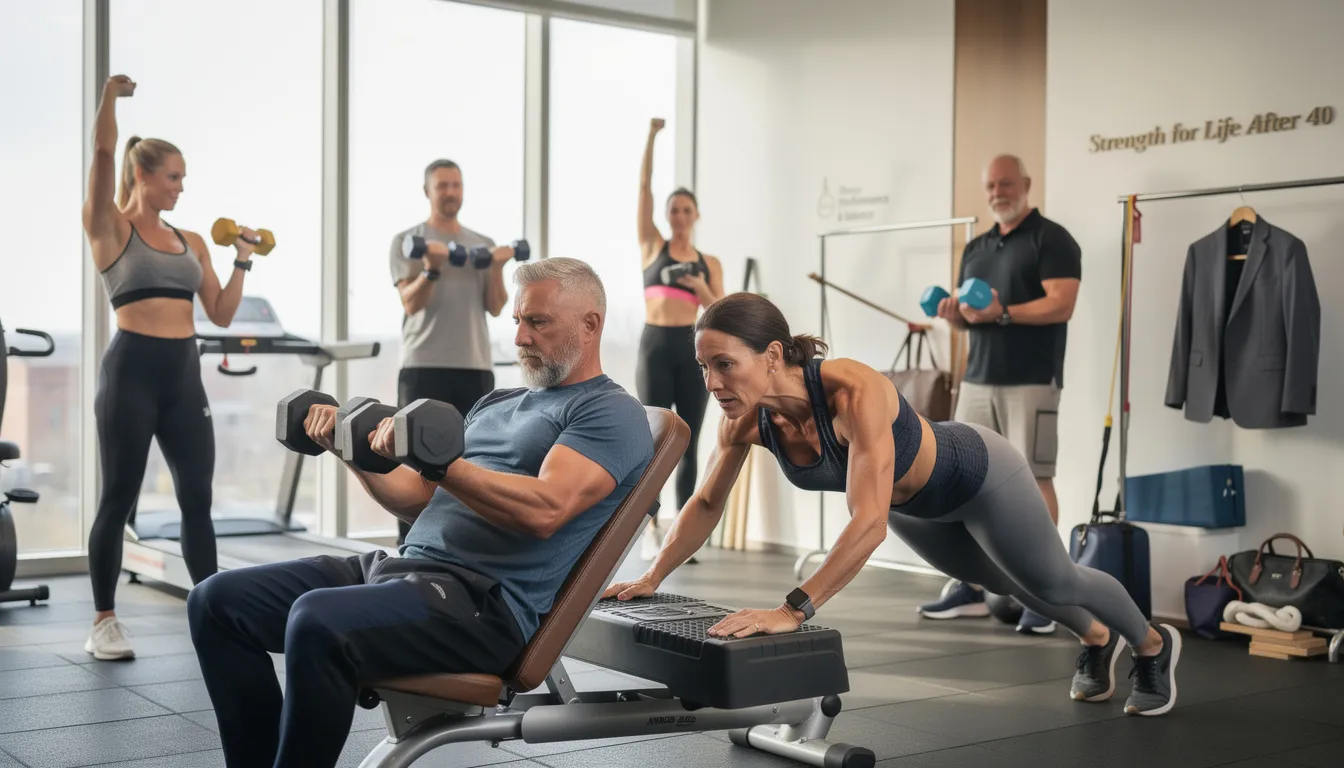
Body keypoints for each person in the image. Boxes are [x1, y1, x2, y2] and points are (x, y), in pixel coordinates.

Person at [606, 292, 1181, 717]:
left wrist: (793, 609)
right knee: (1009, 585)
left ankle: (1152, 645)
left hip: (980, 474)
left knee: (1054, 580)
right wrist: (653, 574)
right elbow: (706, 503)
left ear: (773, 354)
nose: (711, 381)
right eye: (705, 367)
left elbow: (868, 521)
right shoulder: (745, 424)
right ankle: (1095, 638)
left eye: (724, 364)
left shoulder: (853, 390)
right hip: (917, 508)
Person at [187, 258, 655, 768]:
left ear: (590, 324)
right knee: (215, 602)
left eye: (537, 322)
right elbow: (415, 498)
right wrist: (349, 446)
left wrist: (442, 464)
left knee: (317, 620)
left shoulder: (608, 411)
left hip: (479, 602)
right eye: (517, 321)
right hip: (400, 571)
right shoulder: (497, 401)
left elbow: (547, 508)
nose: (520, 336)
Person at [80, 75, 261, 661]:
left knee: (197, 501)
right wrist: (109, 96)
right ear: (143, 175)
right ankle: (104, 621)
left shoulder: (191, 241)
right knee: (117, 498)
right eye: (174, 176)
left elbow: (222, 312)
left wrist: (242, 260)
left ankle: (212, 611)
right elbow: (104, 150)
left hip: (184, 377)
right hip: (130, 372)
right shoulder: (110, 226)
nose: (182, 188)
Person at [918, 154, 1082, 635]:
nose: (997, 192)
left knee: (1034, 480)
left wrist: (1002, 312)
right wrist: (953, 314)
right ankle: (969, 586)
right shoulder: (978, 247)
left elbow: (1062, 303)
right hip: (978, 378)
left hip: (1031, 379)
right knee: (960, 478)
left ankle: (1044, 594)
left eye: (1006, 183)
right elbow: (972, 315)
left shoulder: (1052, 239)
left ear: (1027, 185)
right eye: (990, 185)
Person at [389, 159, 519, 546]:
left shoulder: (480, 242)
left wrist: (496, 267)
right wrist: (431, 269)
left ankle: (463, 546)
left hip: (474, 366)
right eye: (442, 185)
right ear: (427, 191)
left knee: (474, 459)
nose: (450, 192)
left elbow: (496, 306)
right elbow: (410, 303)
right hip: (423, 364)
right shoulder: (406, 240)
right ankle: (410, 547)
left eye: (456, 185)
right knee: (415, 461)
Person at [636, 117, 724, 559]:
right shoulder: (653, 247)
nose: (679, 216)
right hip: (655, 346)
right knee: (655, 442)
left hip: (692, 350)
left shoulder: (709, 261)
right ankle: (650, 528)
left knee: (688, 439)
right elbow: (644, 190)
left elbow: (721, 309)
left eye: (687, 210)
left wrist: (699, 287)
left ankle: (682, 535)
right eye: (674, 210)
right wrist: (652, 138)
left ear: (696, 216)